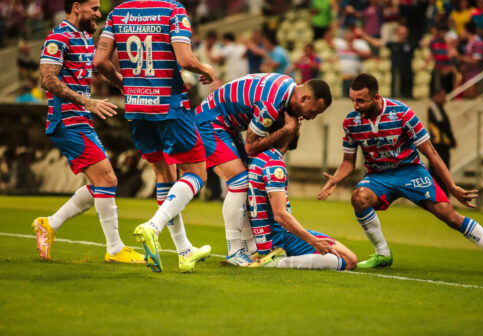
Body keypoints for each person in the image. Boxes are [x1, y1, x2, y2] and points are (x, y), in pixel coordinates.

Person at [317, 73, 483, 276]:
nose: (355, 106)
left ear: (376, 98)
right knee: (359, 198)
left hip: (410, 172)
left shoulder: (402, 113)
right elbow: (348, 162)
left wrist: (452, 187)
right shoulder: (351, 122)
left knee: (450, 217)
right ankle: (382, 254)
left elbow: (431, 153)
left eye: (360, 101)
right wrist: (335, 179)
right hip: (379, 176)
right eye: (353, 100)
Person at [94, 0, 215, 273]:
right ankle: (153, 226)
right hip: (169, 106)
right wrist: (205, 69)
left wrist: (123, 83)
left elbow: (100, 61)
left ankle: (184, 252)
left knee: (164, 173)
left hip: (137, 109)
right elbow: (184, 60)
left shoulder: (117, 13)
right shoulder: (173, 11)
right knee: (197, 173)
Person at [33, 0, 144, 264]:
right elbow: (47, 79)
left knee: (101, 182)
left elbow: (101, 67)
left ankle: (49, 223)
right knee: (107, 179)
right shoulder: (58, 37)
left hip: (80, 119)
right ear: (76, 7)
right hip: (67, 120)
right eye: (93, 8)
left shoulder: (83, 37)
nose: (98, 13)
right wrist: (87, 101)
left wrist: (125, 86)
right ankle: (115, 249)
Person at [194, 73, 332, 266]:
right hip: (210, 121)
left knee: (248, 179)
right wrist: (286, 130)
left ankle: (249, 248)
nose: (311, 117)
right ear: (304, 98)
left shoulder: (287, 88)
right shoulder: (271, 104)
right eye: (314, 111)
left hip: (226, 125)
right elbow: (251, 147)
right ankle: (234, 250)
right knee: (240, 182)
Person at [247, 119, 357, 270]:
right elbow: (280, 215)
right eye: (298, 129)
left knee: (346, 257)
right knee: (349, 260)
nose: (299, 132)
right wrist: (313, 241)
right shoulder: (274, 165)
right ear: (288, 133)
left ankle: (277, 258)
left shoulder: (259, 158)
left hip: (263, 237)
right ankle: (278, 262)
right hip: (280, 237)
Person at [427, 88, 456, 196]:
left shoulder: (439, 108)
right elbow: (442, 124)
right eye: (442, 96)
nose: (445, 99)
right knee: (438, 169)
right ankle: (437, 193)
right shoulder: (434, 107)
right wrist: (452, 139)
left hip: (443, 144)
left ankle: (442, 193)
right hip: (438, 144)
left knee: (443, 169)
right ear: (435, 96)